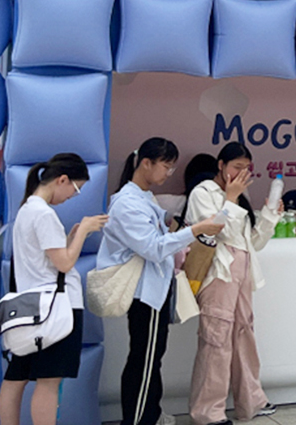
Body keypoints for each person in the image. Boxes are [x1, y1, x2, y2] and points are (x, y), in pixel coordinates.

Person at [97, 138, 224, 425]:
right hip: (145, 292)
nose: (169, 173)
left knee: (151, 357)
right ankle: (138, 419)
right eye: (166, 167)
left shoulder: (143, 198)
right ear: (146, 163)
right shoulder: (127, 204)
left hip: (155, 289)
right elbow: (153, 248)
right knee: (144, 360)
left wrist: (178, 225)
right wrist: (196, 230)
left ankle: (151, 415)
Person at [0, 154, 107, 425]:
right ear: (62, 180)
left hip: (31, 306)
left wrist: (70, 238)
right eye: (76, 188)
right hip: (56, 308)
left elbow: (46, 259)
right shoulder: (44, 214)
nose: (73, 196)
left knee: (16, 377)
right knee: (48, 381)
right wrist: (84, 232)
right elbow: (65, 263)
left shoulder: (27, 209)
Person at [185, 142, 281, 425]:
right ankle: (207, 412)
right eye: (237, 166)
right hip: (218, 275)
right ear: (221, 165)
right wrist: (231, 198)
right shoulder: (203, 192)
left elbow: (253, 243)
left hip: (243, 274)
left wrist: (270, 216)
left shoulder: (239, 197)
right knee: (215, 339)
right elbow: (216, 231)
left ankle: (251, 401)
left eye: (247, 168)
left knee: (244, 334)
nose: (242, 173)